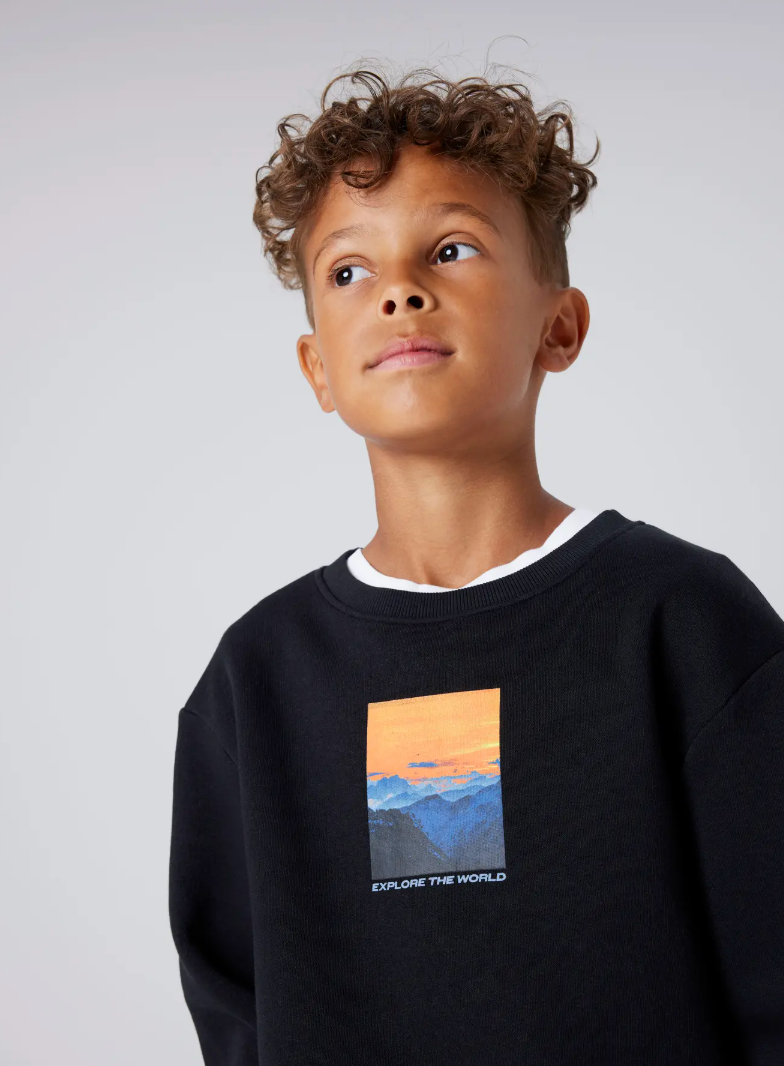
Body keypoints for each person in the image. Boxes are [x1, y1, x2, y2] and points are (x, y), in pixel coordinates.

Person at [168, 63, 784, 1065]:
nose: (401, 290)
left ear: (559, 326)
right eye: (348, 272)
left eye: (451, 249)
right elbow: (235, 1009)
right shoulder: (256, 681)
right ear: (318, 367)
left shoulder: (683, 622)